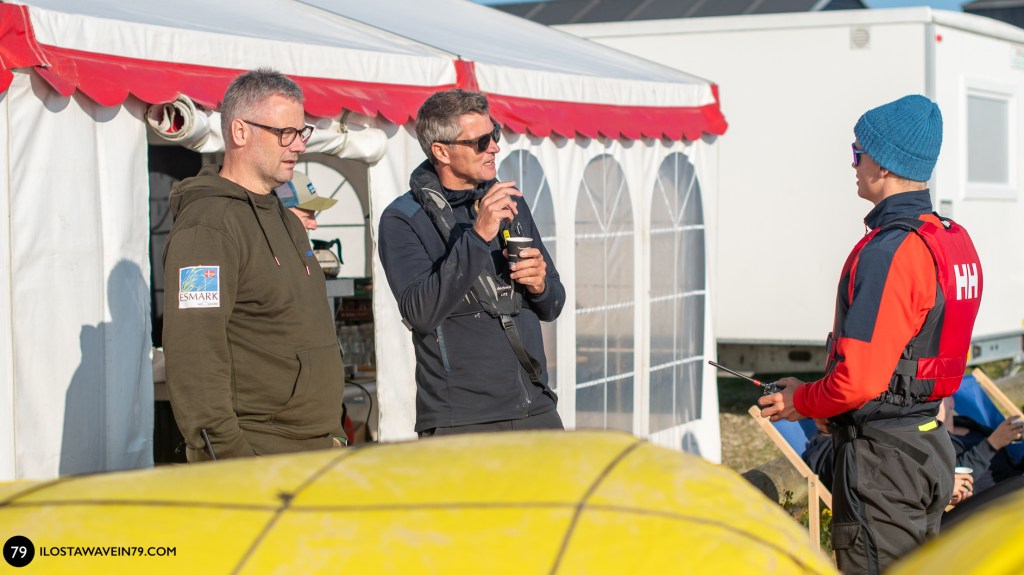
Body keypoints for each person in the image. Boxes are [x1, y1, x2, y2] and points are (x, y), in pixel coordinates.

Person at [757, 95, 984, 574]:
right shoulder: (952, 240)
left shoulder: (889, 251)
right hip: (929, 444)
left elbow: (859, 380)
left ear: (882, 163)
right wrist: (828, 406)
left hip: (884, 466)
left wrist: (803, 400)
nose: (853, 164)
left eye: (857, 152)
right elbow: (910, 357)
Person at [163, 68, 345, 461]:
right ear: (240, 132)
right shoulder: (207, 226)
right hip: (255, 456)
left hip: (313, 450)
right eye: (285, 133)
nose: (299, 145)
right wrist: (231, 458)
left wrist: (333, 431)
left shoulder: (285, 219)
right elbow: (194, 353)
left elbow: (306, 331)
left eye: (302, 132)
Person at [378, 88, 565, 436]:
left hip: (536, 407)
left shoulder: (509, 201)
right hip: (461, 419)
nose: (495, 147)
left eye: (495, 134)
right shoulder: (402, 218)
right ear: (441, 151)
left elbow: (554, 305)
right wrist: (477, 237)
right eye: (481, 141)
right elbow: (420, 312)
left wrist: (541, 285)